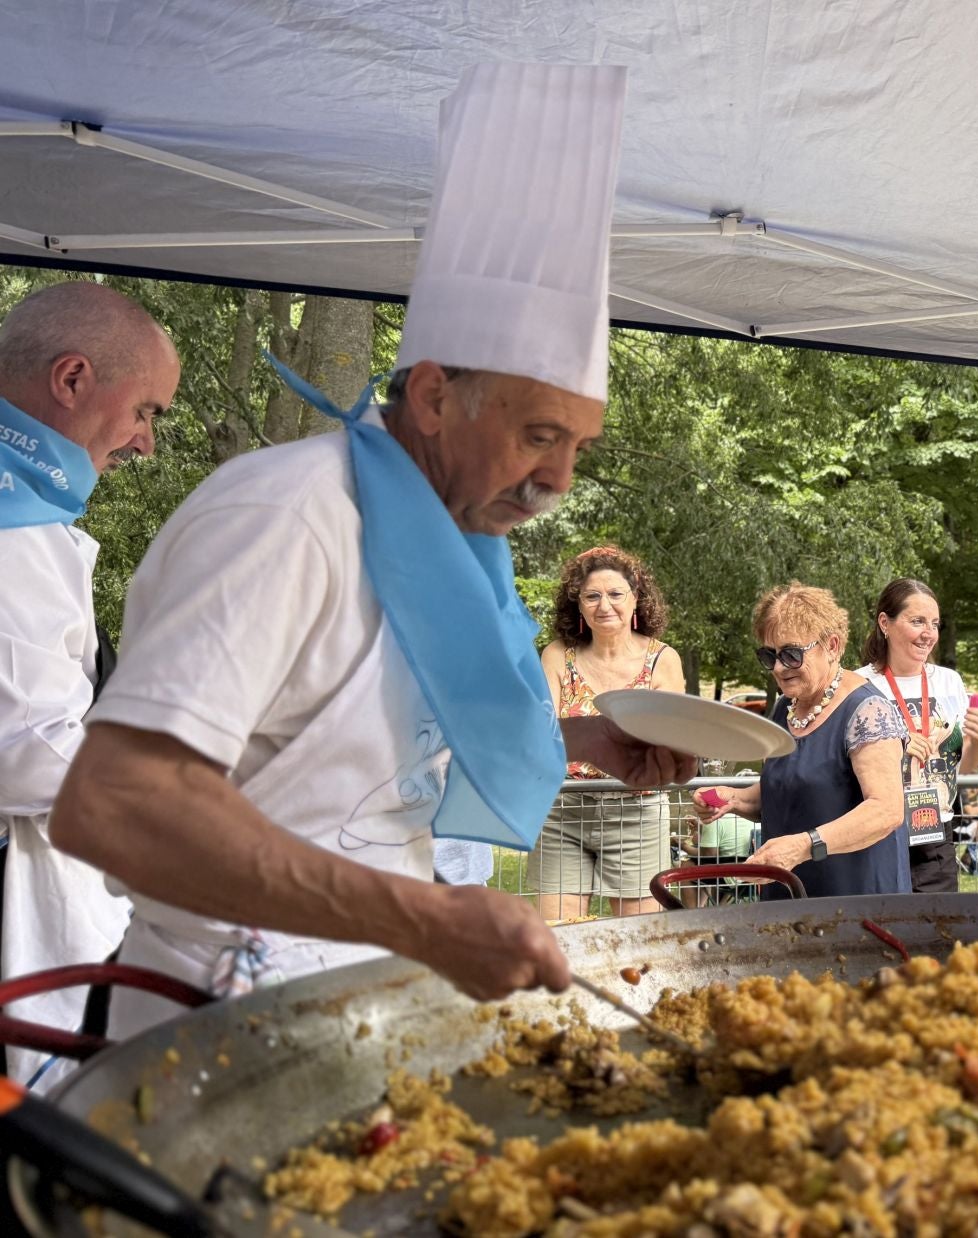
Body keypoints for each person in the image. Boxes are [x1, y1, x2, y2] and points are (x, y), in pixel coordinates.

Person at [50, 66, 694, 1039]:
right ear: (433, 395)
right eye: (537, 436)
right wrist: (428, 915)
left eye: (576, 447)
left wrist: (586, 745)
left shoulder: (445, 538)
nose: (560, 478)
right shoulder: (285, 516)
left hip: (364, 1001)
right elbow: (116, 802)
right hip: (228, 1013)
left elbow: (350, 752)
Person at [0, 281, 177, 1083]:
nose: (145, 443)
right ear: (72, 380)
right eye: (146, 411)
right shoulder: (15, 532)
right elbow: (27, 752)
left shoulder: (27, 511)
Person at [692, 583, 909, 896]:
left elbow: (886, 810)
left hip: (855, 900)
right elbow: (793, 791)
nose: (779, 668)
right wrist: (734, 799)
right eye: (770, 656)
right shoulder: (787, 707)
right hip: (789, 896)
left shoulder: (867, 710)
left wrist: (804, 846)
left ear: (832, 646)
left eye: (792, 654)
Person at [532, 546, 686, 919]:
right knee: (560, 935)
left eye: (616, 594)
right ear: (579, 605)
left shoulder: (662, 660)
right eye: (592, 595)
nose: (605, 605)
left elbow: (673, 739)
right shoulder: (557, 655)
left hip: (637, 811)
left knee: (637, 941)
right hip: (564, 809)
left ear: (636, 599)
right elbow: (543, 737)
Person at [854, 578, 978, 892]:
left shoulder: (949, 682)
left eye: (934, 624)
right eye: (917, 622)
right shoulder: (858, 685)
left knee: (935, 933)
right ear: (885, 623)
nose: (928, 633)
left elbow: (963, 768)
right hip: (878, 831)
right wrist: (896, 744)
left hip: (935, 832)